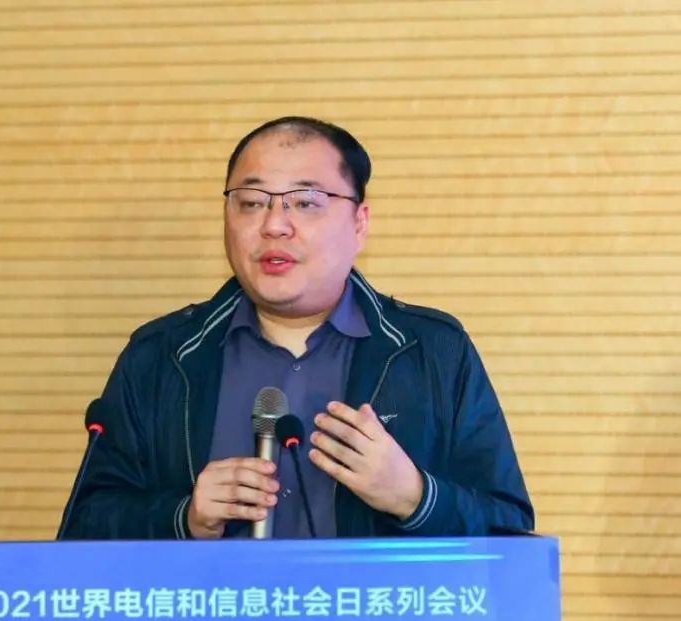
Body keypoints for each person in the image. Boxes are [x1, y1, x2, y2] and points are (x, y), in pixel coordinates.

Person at [58, 116, 534, 540]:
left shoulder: (433, 352)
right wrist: (184, 518)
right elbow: (85, 526)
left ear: (359, 224)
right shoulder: (161, 355)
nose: (274, 225)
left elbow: (509, 530)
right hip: (215, 615)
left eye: (305, 203)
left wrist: (414, 497)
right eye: (250, 202)